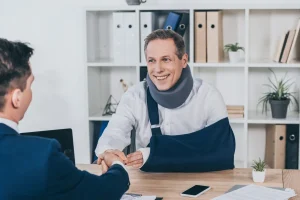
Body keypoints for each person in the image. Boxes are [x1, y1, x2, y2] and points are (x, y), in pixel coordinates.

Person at [0, 38, 129, 200]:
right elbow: (104, 192)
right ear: (16, 98)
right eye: (30, 85)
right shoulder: (41, 156)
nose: (31, 93)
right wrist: (118, 166)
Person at [95, 29, 235, 172]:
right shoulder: (134, 96)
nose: (158, 69)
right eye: (151, 61)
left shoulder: (208, 96)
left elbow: (222, 150)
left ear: (184, 60)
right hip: (149, 182)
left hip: (198, 179)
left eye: (166, 59)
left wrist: (152, 153)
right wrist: (108, 151)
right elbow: (115, 132)